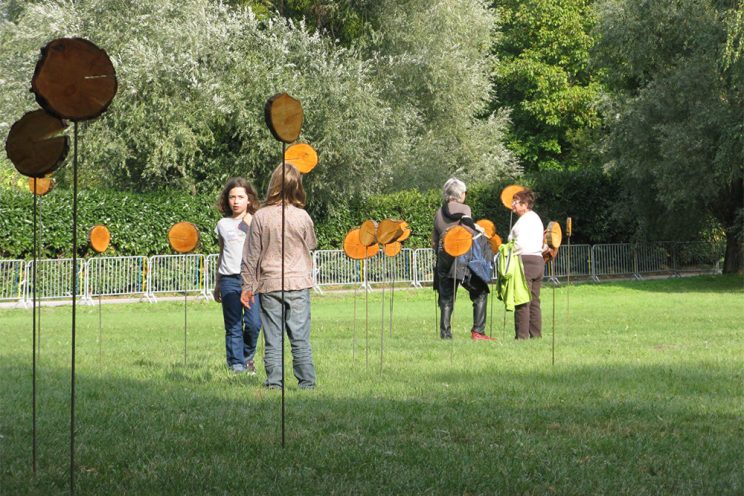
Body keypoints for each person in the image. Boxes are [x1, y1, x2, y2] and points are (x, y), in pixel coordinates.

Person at [240, 163, 317, 389]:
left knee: (273, 339)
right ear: (297, 186)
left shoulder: (260, 217)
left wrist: (247, 287)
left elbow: (251, 256)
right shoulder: (303, 216)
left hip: (270, 283)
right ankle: (307, 383)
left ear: (273, 184)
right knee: (300, 338)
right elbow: (311, 243)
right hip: (298, 283)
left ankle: (274, 383)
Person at [432, 178, 494, 341]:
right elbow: (468, 232)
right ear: (460, 194)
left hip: (443, 255)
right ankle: (478, 332)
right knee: (480, 292)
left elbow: (434, 241)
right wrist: (478, 229)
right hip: (462, 257)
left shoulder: (439, 212)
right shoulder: (465, 208)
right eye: (465, 192)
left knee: (446, 297)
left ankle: (445, 334)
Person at [214, 177, 262, 373]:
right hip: (229, 279)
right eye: (232, 197)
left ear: (249, 199)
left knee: (253, 323)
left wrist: (249, 222)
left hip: (250, 280)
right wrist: (217, 282)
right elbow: (222, 252)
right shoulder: (223, 224)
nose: (236, 201)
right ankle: (236, 365)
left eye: (240, 197)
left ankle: (247, 357)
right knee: (233, 325)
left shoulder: (256, 221)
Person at [508, 188, 546, 339]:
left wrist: (508, 251)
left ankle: (521, 336)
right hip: (538, 261)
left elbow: (519, 244)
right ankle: (536, 335)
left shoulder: (524, 221)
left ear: (524, 205)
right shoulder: (536, 218)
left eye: (515, 202)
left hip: (526, 261)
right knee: (534, 301)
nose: (512, 204)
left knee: (522, 299)